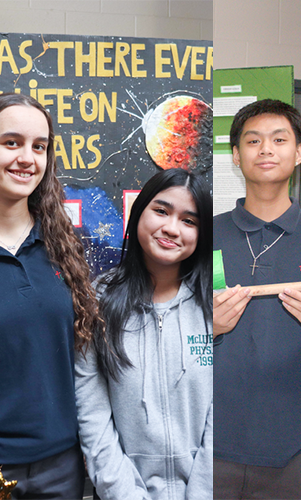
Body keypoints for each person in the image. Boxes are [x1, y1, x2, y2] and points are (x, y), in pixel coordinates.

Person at [212, 99, 301, 499]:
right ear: (236, 156)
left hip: (294, 453)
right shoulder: (204, 237)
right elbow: (171, 345)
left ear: (299, 153)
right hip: (208, 445)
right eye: (253, 140)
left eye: (279, 139)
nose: (266, 149)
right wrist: (210, 330)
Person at [0, 92, 101, 499]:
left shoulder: (63, 245)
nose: (27, 158)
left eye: (39, 147)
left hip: (61, 467)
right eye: (12, 143)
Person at [76, 168, 213, 500]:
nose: (172, 228)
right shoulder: (97, 300)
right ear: (139, 213)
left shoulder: (216, 304)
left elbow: (226, 412)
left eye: (189, 221)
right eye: (161, 211)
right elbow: (92, 414)